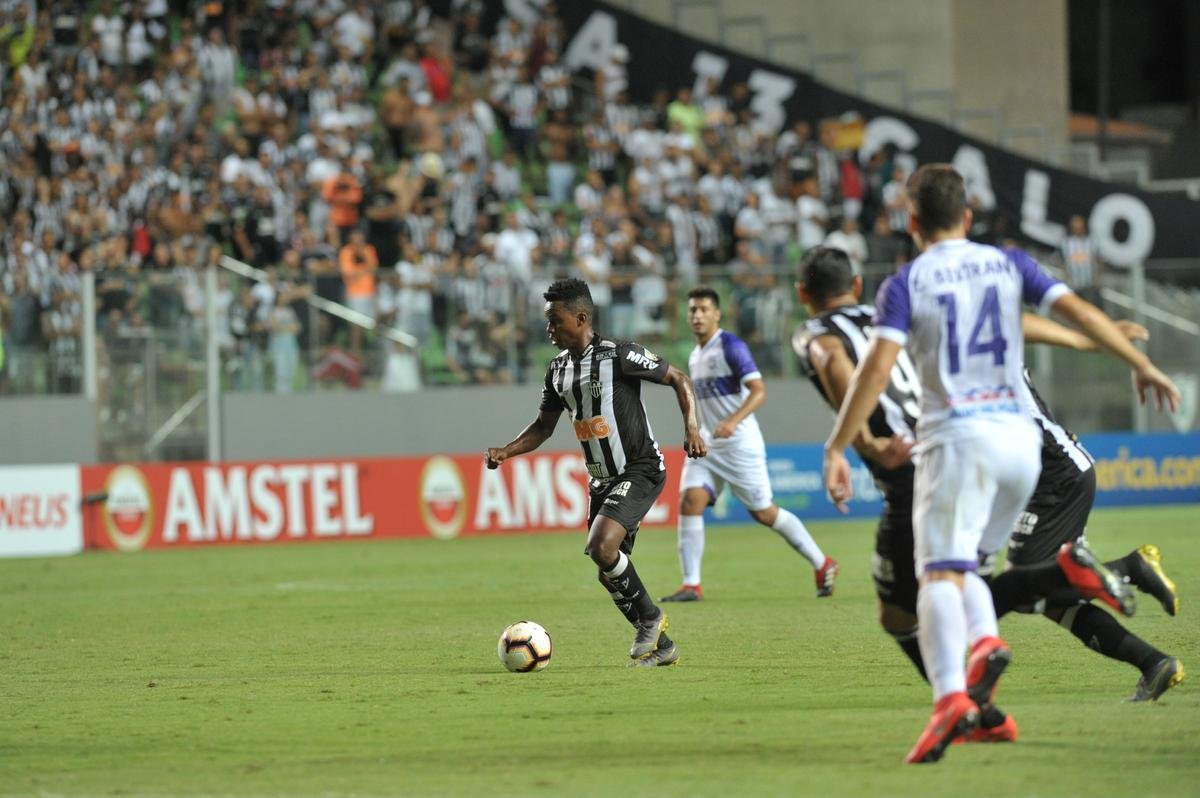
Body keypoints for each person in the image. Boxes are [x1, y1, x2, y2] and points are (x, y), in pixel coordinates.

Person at [820, 165, 1180, 764]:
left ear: (912, 223)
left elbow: (876, 369)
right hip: (1020, 445)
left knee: (937, 575)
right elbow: (1080, 313)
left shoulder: (906, 282)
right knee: (974, 571)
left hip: (959, 441)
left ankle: (951, 698)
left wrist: (836, 446)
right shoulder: (1007, 261)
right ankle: (991, 636)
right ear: (968, 215)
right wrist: (1137, 362)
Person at [484, 278, 707, 667]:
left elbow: (679, 379)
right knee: (610, 573)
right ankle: (664, 646)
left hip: (639, 468)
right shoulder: (556, 371)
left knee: (601, 547)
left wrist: (691, 427)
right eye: (547, 321)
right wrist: (507, 451)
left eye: (555, 320)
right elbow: (543, 427)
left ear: (581, 317)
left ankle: (651, 620)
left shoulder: (620, 355)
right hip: (601, 481)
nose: (549, 329)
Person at [662, 286, 837, 603]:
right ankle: (691, 585)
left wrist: (733, 420)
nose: (697, 315)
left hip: (740, 443)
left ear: (717, 313)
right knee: (690, 502)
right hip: (709, 444)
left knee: (764, 513)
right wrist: (697, 430)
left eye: (704, 309)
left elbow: (758, 390)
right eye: (693, 310)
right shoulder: (695, 354)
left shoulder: (730, 346)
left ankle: (822, 563)